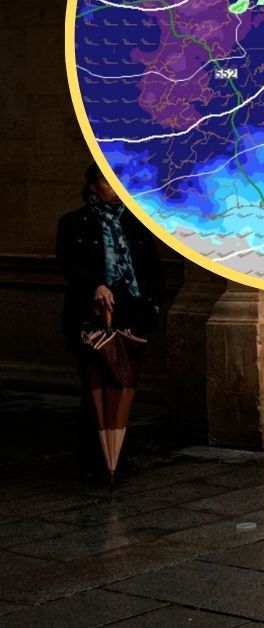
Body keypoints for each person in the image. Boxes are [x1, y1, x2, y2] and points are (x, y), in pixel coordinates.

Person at [56, 163, 166, 480]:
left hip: (129, 312)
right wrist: (94, 286)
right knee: (95, 385)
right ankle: (94, 460)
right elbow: (69, 264)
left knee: (123, 384)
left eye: (117, 181)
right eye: (106, 181)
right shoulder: (74, 223)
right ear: (92, 186)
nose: (114, 187)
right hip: (91, 316)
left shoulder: (135, 223)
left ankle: (118, 456)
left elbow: (151, 266)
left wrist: (154, 303)